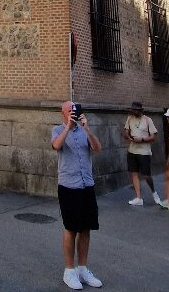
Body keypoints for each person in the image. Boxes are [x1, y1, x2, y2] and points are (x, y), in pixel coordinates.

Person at [51, 101, 103, 290]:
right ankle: (69, 270)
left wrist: (87, 129)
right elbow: (56, 146)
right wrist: (68, 127)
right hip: (68, 186)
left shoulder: (83, 130)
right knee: (71, 229)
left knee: (86, 228)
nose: (73, 113)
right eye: (69, 111)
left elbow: (97, 148)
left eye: (75, 110)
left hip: (86, 185)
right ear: (62, 113)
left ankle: (83, 268)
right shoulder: (57, 130)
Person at [122, 101, 160, 207]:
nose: (134, 111)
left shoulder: (148, 120)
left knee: (146, 175)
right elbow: (125, 132)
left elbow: (153, 137)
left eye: (136, 110)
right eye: (133, 110)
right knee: (134, 173)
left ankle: (153, 192)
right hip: (132, 150)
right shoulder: (130, 118)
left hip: (144, 151)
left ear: (140, 110)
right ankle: (138, 197)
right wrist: (128, 137)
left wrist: (142, 139)